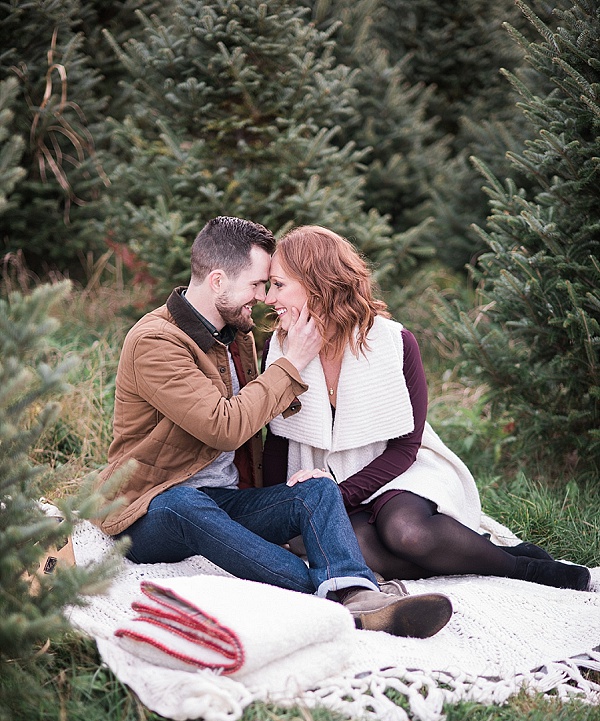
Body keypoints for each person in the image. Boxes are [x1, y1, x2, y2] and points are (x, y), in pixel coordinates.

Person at [94, 216, 453, 638]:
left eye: (270, 286)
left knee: (316, 490)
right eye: (256, 285)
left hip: (225, 500)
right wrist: (292, 363)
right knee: (184, 505)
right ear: (217, 280)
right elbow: (224, 427)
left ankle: (354, 590)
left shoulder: (236, 334)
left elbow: (265, 425)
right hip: (149, 508)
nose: (264, 298)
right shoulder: (156, 341)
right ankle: (342, 598)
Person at [262, 224, 591, 592]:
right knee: (358, 548)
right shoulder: (278, 351)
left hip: (401, 473)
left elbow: (406, 447)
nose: (268, 298)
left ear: (316, 282)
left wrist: (343, 494)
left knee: (407, 532)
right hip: (327, 483)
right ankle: (484, 554)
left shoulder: (395, 342)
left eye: (278, 285)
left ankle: (521, 568)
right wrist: (283, 512)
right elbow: (278, 440)